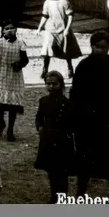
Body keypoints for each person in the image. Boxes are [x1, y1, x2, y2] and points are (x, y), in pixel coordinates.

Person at [69, 31, 109, 197]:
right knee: (85, 157)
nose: (101, 50)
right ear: (92, 46)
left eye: (105, 47)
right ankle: (81, 191)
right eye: (98, 47)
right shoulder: (83, 65)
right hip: (87, 120)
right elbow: (76, 93)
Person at [34, 71, 74, 204]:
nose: (51, 87)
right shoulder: (43, 101)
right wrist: (39, 127)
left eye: (55, 84)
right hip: (48, 141)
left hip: (62, 143)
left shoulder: (66, 103)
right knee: (51, 171)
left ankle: (61, 197)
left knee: (62, 173)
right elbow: (38, 118)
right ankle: (53, 196)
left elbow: (72, 124)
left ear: (61, 84)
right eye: (48, 84)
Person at [0, 20, 28, 141]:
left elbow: (25, 59)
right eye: (7, 28)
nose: (10, 30)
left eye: (12, 28)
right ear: (3, 31)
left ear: (16, 29)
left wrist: (19, 63)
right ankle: (0, 126)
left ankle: (10, 130)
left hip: (14, 77)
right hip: (1, 75)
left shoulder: (21, 43)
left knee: (13, 106)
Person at [37, 0, 80, 79]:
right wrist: (39, 28)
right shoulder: (47, 2)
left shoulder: (65, 2)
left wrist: (67, 29)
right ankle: (45, 69)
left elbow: (70, 17)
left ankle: (70, 68)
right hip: (50, 29)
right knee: (47, 49)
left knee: (66, 50)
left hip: (63, 30)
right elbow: (45, 16)